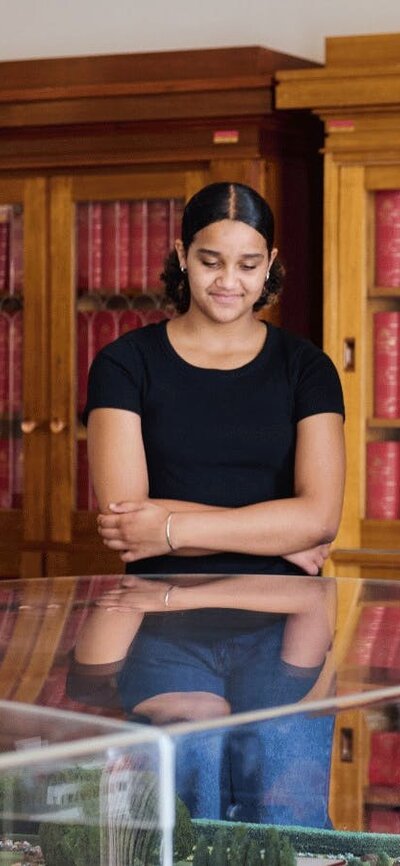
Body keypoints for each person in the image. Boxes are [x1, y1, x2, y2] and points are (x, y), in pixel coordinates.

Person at [76, 181, 345, 825]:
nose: (229, 281)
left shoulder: (306, 368)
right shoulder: (124, 363)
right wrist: (275, 528)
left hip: (284, 621)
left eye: (249, 265)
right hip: (159, 628)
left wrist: (167, 525)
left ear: (270, 264)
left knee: (287, 819)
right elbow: (123, 518)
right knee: (183, 817)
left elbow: (321, 518)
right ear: (182, 254)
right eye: (210, 260)